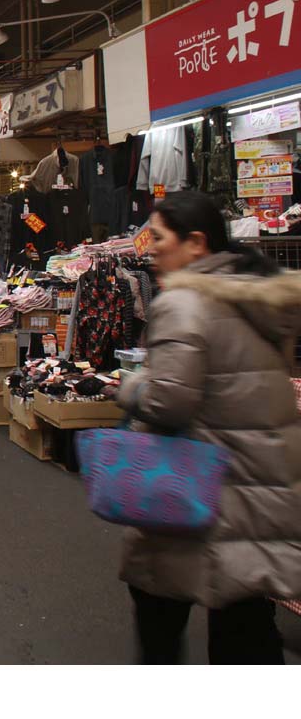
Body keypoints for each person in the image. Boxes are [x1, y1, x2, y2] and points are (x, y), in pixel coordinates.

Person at [117, 191, 301, 664]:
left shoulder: (184, 302)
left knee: (159, 607)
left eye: (158, 237)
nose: (149, 248)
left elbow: (169, 399)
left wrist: (133, 385)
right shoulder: (259, 297)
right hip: (258, 481)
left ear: (196, 242)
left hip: (193, 485)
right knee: (244, 621)